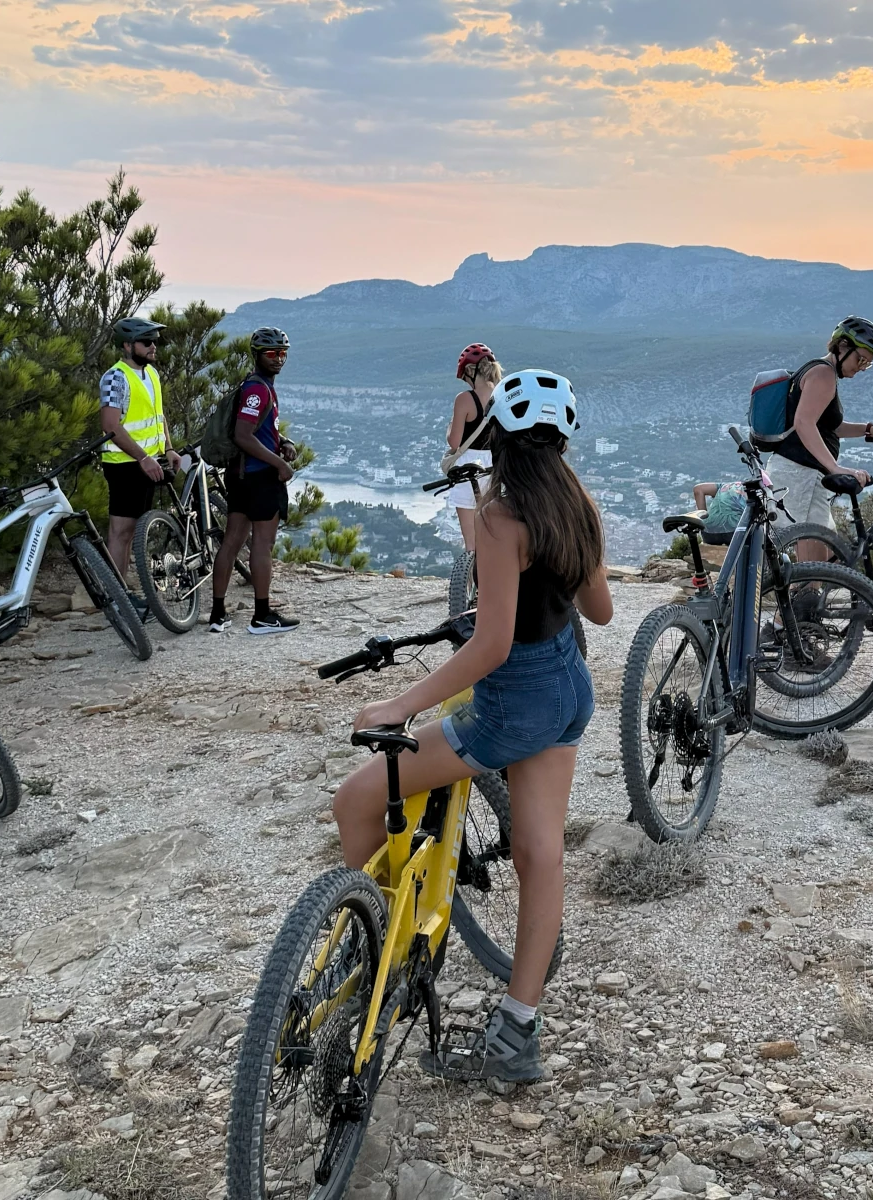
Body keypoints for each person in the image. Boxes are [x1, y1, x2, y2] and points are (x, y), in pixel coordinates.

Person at [332, 368, 612, 1083]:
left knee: (357, 800)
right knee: (540, 853)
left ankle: (373, 947)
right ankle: (518, 1034)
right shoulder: (579, 504)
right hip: (569, 688)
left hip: (513, 702)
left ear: (500, 439)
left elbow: (491, 648)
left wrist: (402, 704)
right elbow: (601, 611)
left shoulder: (498, 517)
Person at [765, 317, 873, 560]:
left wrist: (870, 429)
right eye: (861, 359)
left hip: (803, 474)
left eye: (868, 364)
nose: (861, 367)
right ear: (842, 346)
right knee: (798, 549)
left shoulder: (820, 371)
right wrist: (834, 467)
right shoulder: (823, 374)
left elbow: (830, 427)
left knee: (818, 555)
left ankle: (808, 596)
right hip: (800, 474)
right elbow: (804, 423)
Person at [207, 327, 300, 635]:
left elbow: (257, 429)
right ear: (258, 355)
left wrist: (282, 440)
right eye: (272, 354)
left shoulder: (253, 385)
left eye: (282, 354)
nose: (278, 360)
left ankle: (217, 614)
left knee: (232, 542)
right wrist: (278, 464)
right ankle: (262, 616)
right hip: (260, 478)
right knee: (262, 545)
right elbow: (243, 435)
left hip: (240, 476)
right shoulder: (259, 389)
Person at [99, 316, 182, 603]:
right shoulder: (116, 378)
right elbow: (111, 427)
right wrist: (144, 458)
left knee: (134, 530)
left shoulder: (152, 375)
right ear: (127, 345)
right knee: (120, 532)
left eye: (155, 342)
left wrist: (168, 449)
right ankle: (116, 597)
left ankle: (122, 591)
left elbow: (159, 417)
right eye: (147, 342)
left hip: (147, 462)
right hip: (124, 465)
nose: (153, 347)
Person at [445, 343, 501, 547]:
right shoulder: (502, 395)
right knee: (494, 533)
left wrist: (450, 427)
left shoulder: (465, 399)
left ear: (469, 371)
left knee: (471, 542)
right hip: (495, 467)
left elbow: (454, 442)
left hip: (468, 466)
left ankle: (470, 576)